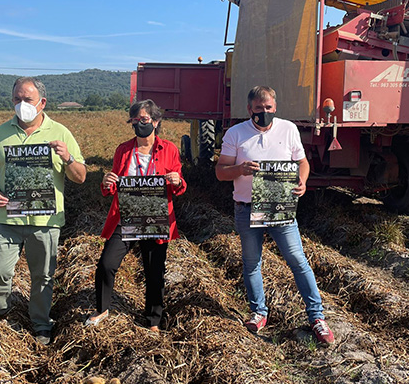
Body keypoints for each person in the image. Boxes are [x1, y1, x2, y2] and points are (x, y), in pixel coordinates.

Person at [215, 86, 335, 345]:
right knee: (251, 263)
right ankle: (258, 312)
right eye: (259, 109)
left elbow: (302, 163)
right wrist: (239, 168)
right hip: (246, 209)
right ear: (250, 110)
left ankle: (317, 316)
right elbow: (220, 171)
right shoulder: (235, 134)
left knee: (297, 260)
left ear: (275, 107)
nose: (264, 112)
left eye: (268, 108)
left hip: (280, 207)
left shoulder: (288, 129)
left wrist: (302, 182)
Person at [0, 77, 86, 345]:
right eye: (17, 99)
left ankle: (40, 322)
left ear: (42, 103)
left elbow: (80, 176)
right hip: (6, 217)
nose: (22, 104)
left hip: (45, 220)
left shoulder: (60, 132)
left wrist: (67, 158)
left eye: (28, 99)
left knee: (43, 275)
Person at [84, 99, 186, 332]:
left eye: (145, 119)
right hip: (127, 217)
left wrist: (177, 180)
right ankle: (102, 309)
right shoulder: (123, 149)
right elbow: (112, 185)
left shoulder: (169, 149)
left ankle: (153, 320)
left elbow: (179, 185)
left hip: (156, 219)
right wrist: (107, 182)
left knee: (154, 272)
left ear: (156, 121)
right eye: (136, 120)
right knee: (106, 264)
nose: (140, 124)